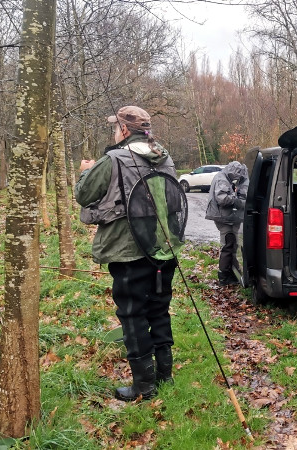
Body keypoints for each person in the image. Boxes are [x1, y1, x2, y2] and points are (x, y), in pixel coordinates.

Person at [75, 106, 178, 401]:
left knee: (132, 315)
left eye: (115, 127)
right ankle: (164, 377)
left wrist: (85, 172)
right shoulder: (164, 155)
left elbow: (83, 194)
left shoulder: (113, 159)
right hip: (164, 248)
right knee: (158, 309)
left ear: (124, 130)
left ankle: (144, 386)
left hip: (128, 251)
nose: (113, 132)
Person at [206, 161, 249, 286]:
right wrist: (238, 201)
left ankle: (229, 274)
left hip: (222, 216)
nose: (236, 179)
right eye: (236, 177)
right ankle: (224, 276)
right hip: (222, 217)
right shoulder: (222, 179)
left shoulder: (222, 176)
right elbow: (222, 198)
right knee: (228, 245)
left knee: (230, 244)